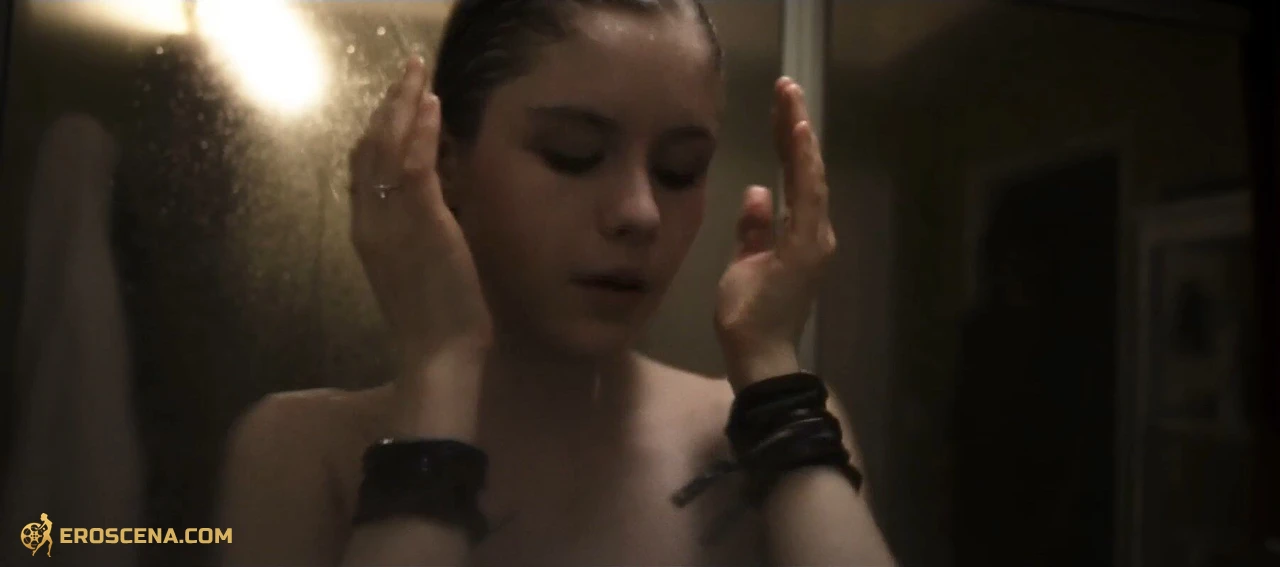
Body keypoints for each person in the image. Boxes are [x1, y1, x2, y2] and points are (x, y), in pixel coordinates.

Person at [216, 1, 893, 565]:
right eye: (573, 154)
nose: (640, 213)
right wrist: (442, 367)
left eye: (681, 169)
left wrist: (772, 372)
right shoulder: (306, 453)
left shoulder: (765, 431)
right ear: (442, 163)